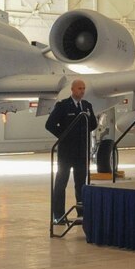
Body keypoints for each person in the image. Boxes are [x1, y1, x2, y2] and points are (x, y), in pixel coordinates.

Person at [45, 79, 98, 224]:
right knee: (61, 183)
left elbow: (93, 124)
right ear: (73, 90)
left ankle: (82, 212)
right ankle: (59, 215)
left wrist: (82, 133)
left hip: (81, 152)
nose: (82, 91)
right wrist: (63, 136)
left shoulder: (87, 106)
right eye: (79, 88)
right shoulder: (63, 106)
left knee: (81, 183)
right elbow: (49, 124)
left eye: (84, 88)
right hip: (66, 152)